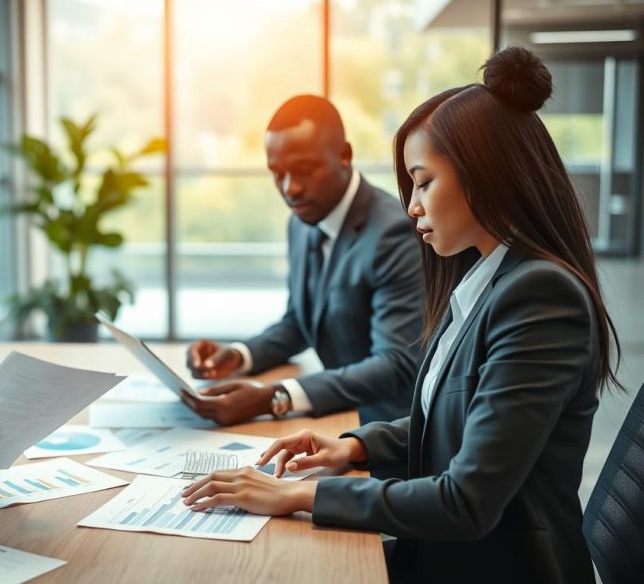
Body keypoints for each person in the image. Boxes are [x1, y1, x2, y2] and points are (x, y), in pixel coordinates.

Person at [180, 47, 619, 584]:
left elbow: (466, 500)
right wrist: (354, 445)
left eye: (424, 181)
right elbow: (455, 422)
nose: (411, 205)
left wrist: (300, 492)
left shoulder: (541, 299)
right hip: (442, 556)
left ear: (486, 174)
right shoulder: (484, 281)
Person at [184, 95, 423, 426]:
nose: (289, 188)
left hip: (389, 431)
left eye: (304, 170)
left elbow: (396, 364)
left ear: (345, 156)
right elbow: (300, 321)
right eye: (276, 173)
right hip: (334, 416)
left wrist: (275, 396)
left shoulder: (393, 233)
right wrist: (238, 355)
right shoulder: (302, 221)